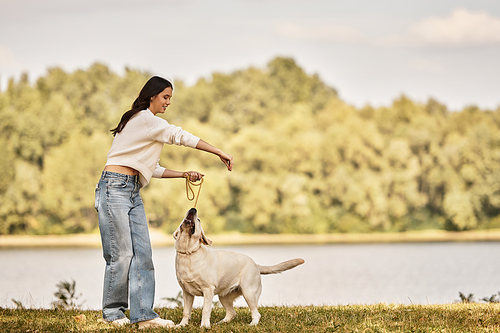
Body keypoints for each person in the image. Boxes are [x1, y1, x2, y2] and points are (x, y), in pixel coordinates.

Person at [94, 76, 233, 329]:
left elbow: (151, 168)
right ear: (152, 96)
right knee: (121, 254)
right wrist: (218, 151)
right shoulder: (146, 119)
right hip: (114, 187)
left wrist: (182, 174)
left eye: (170, 98)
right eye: (165, 97)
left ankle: (143, 315)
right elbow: (179, 135)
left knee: (143, 254)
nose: (168, 102)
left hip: (131, 190)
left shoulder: (144, 124)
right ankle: (112, 314)